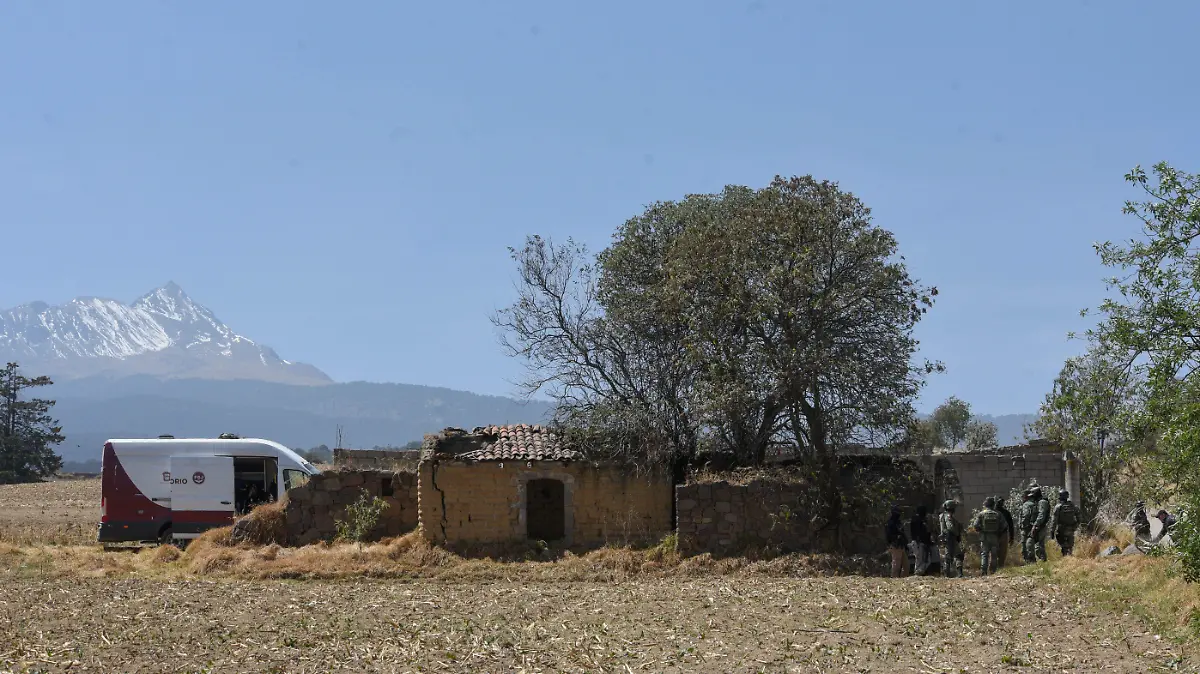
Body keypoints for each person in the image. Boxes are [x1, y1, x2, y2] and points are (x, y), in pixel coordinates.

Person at [972, 496, 1009, 575]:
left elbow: (975, 525)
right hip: (995, 537)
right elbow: (1004, 526)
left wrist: (981, 531)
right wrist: (998, 533)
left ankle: (983, 571)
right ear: (993, 505)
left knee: (984, 554)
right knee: (994, 554)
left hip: (984, 537)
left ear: (986, 505)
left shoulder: (981, 514)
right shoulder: (998, 514)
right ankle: (993, 571)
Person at [1049, 489, 1079, 556]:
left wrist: (1052, 531)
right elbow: (1079, 517)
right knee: (1070, 545)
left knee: (1063, 543)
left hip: (1061, 529)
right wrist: (1075, 526)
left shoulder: (1058, 507)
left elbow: (1054, 521)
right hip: (1071, 528)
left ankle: (1066, 556)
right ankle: (1070, 558)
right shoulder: (1072, 505)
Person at [940, 500, 964, 578]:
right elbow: (950, 527)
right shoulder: (948, 516)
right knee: (956, 556)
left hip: (949, 537)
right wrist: (957, 534)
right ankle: (955, 574)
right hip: (950, 537)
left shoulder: (945, 515)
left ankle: (948, 574)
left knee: (950, 556)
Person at [910, 504, 935, 575]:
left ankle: (919, 573)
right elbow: (920, 533)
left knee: (925, 560)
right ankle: (918, 573)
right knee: (920, 560)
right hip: (919, 543)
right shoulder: (917, 520)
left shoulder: (920, 520)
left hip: (921, 543)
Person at [885, 504, 909, 577]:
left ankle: (903, 580)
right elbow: (889, 535)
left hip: (901, 545)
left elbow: (902, 533)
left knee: (906, 566)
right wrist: (896, 538)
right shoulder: (890, 523)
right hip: (895, 545)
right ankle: (894, 580)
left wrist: (905, 544)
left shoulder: (898, 522)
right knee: (896, 565)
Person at [1028, 486, 1051, 562]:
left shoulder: (1042, 502)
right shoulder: (1039, 502)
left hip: (1040, 526)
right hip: (1038, 526)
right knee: (1034, 544)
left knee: (1038, 546)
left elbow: (1041, 515)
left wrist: (1035, 525)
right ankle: (1039, 561)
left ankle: (1043, 561)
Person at [995, 496, 1015, 567]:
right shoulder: (992, 512)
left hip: (1003, 534)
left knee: (1002, 553)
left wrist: (1011, 537)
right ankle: (993, 568)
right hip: (994, 535)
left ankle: (1000, 567)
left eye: (1001, 502)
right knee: (994, 552)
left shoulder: (1006, 513)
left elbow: (1011, 525)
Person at [1019, 488, 1038, 563]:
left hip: (1027, 528)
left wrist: (1023, 524)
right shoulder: (1035, 504)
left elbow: (1026, 515)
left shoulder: (1026, 504)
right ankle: (1032, 560)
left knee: (1025, 545)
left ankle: (1029, 561)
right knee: (1031, 544)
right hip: (1034, 527)